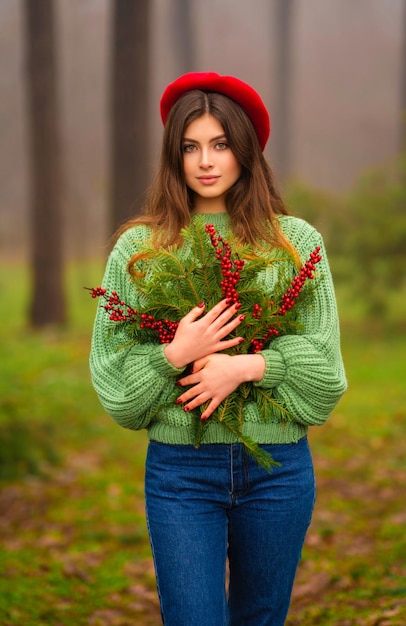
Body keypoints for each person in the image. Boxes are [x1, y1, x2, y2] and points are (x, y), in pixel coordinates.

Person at [89, 72, 347, 626]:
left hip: (278, 469)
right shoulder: (141, 249)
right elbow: (116, 388)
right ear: (173, 155)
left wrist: (249, 365)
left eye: (221, 144)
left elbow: (325, 375)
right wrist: (174, 355)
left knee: (260, 616)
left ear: (245, 149)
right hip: (180, 473)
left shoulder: (294, 244)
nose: (205, 161)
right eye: (190, 146)